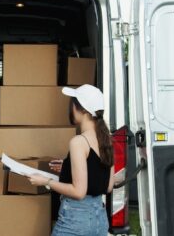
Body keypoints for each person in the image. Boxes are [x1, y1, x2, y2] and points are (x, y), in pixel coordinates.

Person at [27, 84, 115, 236]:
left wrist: (46, 181)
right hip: (99, 220)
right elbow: (108, 187)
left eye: (73, 103)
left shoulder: (78, 142)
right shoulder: (107, 139)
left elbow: (79, 192)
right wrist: (68, 167)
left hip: (76, 220)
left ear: (82, 109)